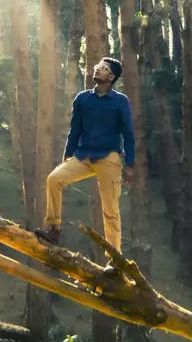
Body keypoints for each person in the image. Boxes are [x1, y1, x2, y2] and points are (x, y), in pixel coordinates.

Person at [35, 57, 135, 274]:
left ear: (111, 77)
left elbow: (128, 133)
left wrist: (130, 165)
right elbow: (75, 130)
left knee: (110, 211)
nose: (97, 69)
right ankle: (54, 229)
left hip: (109, 158)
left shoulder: (120, 101)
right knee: (54, 179)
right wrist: (67, 156)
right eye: (98, 66)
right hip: (84, 156)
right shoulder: (82, 99)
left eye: (104, 68)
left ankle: (115, 261)